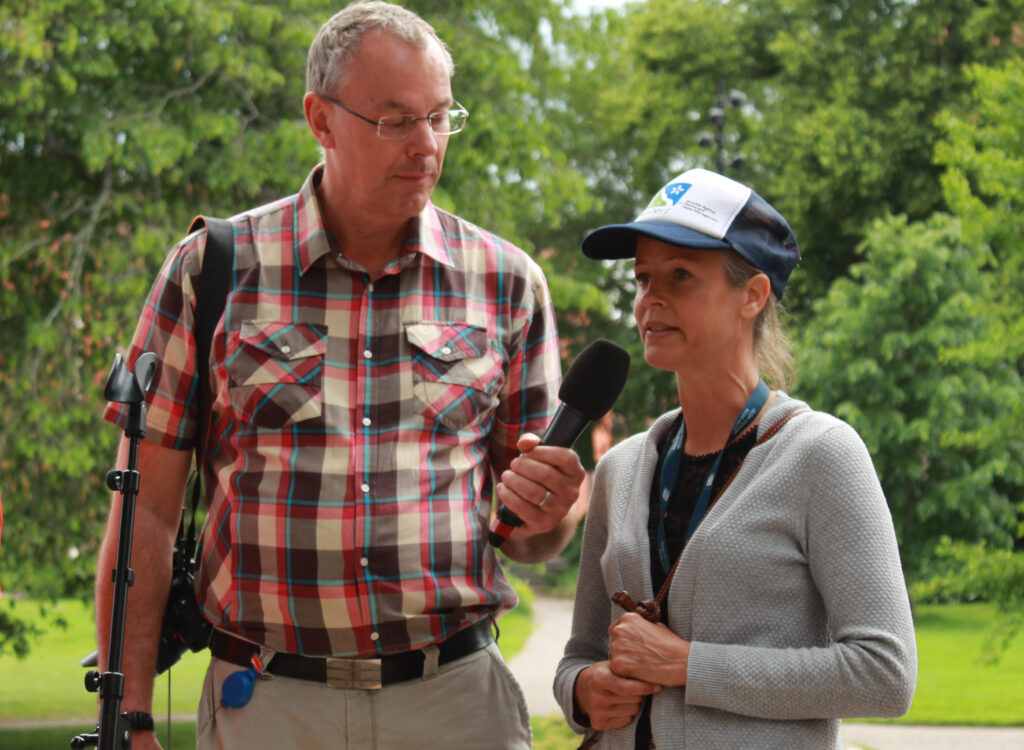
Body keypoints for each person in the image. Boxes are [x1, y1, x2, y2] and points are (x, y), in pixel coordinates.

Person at [96, 3, 586, 749]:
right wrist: (127, 718)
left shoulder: (508, 282)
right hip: (266, 704)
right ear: (320, 120)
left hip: (455, 706)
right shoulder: (211, 272)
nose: (426, 145)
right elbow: (147, 516)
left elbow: (526, 538)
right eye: (395, 121)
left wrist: (553, 515)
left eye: (439, 117)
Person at [553, 168, 917, 749]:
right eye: (644, 279)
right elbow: (580, 657)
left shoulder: (823, 454)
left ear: (752, 295)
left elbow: (885, 673)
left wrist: (689, 666)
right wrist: (582, 690)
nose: (652, 300)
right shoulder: (622, 469)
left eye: (680, 276)